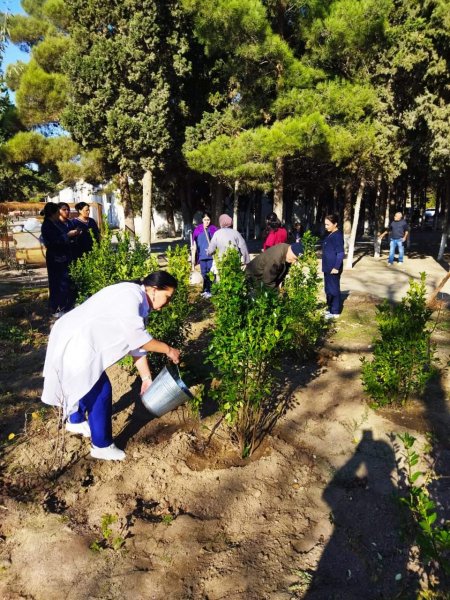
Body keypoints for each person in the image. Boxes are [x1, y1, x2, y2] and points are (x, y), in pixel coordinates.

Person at [41, 271, 181, 461]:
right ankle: (102, 445)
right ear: (154, 289)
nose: (167, 304)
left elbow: (136, 346)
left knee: (85, 381)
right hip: (77, 340)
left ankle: (76, 420)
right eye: (168, 297)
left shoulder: (138, 300)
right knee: (100, 390)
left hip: (77, 337)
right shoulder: (131, 297)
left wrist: (146, 379)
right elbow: (139, 339)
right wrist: (168, 349)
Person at [40, 202, 80, 317]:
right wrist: (67, 236)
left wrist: (74, 235)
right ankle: (57, 308)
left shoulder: (57, 223)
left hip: (64, 256)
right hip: (55, 257)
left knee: (66, 282)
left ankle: (66, 306)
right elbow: (52, 242)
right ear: (53, 213)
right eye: (58, 212)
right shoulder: (47, 225)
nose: (60, 214)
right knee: (57, 283)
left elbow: (64, 237)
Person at [322, 214, 345, 319]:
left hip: (333, 269)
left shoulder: (337, 236)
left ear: (335, 224)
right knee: (328, 289)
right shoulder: (330, 234)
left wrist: (336, 267)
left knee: (334, 289)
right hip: (327, 267)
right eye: (325, 224)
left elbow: (340, 253)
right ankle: (330, 309)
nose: (326, 226)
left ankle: (335, 311)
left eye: (328, 224)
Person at [192, 212, 218, 298]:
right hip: (202, 256)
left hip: (211, 256)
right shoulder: (197, 230)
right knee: (204, 273)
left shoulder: (214, 229)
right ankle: (206, 289)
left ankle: (211, 290)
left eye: (208, 220)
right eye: (205, 220)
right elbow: (194, 243)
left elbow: (217, 241)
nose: (207, 222)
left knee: (211, 273)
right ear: (202, 220)